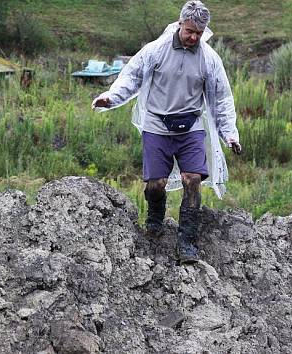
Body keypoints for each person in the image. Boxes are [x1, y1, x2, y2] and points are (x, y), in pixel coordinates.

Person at [91, 0, 241, 264]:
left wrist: (230, 134)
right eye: (190, 31)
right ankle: (155, 218)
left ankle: (187, 243)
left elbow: (221, 99)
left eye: (199, 33)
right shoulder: (155, 50)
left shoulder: (210, 59)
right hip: (157, 127)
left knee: (193, 179)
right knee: (155, 185)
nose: (194, 37)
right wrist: (111, 98)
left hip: (190, 128)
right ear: (181, 23)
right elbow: (131, 77)